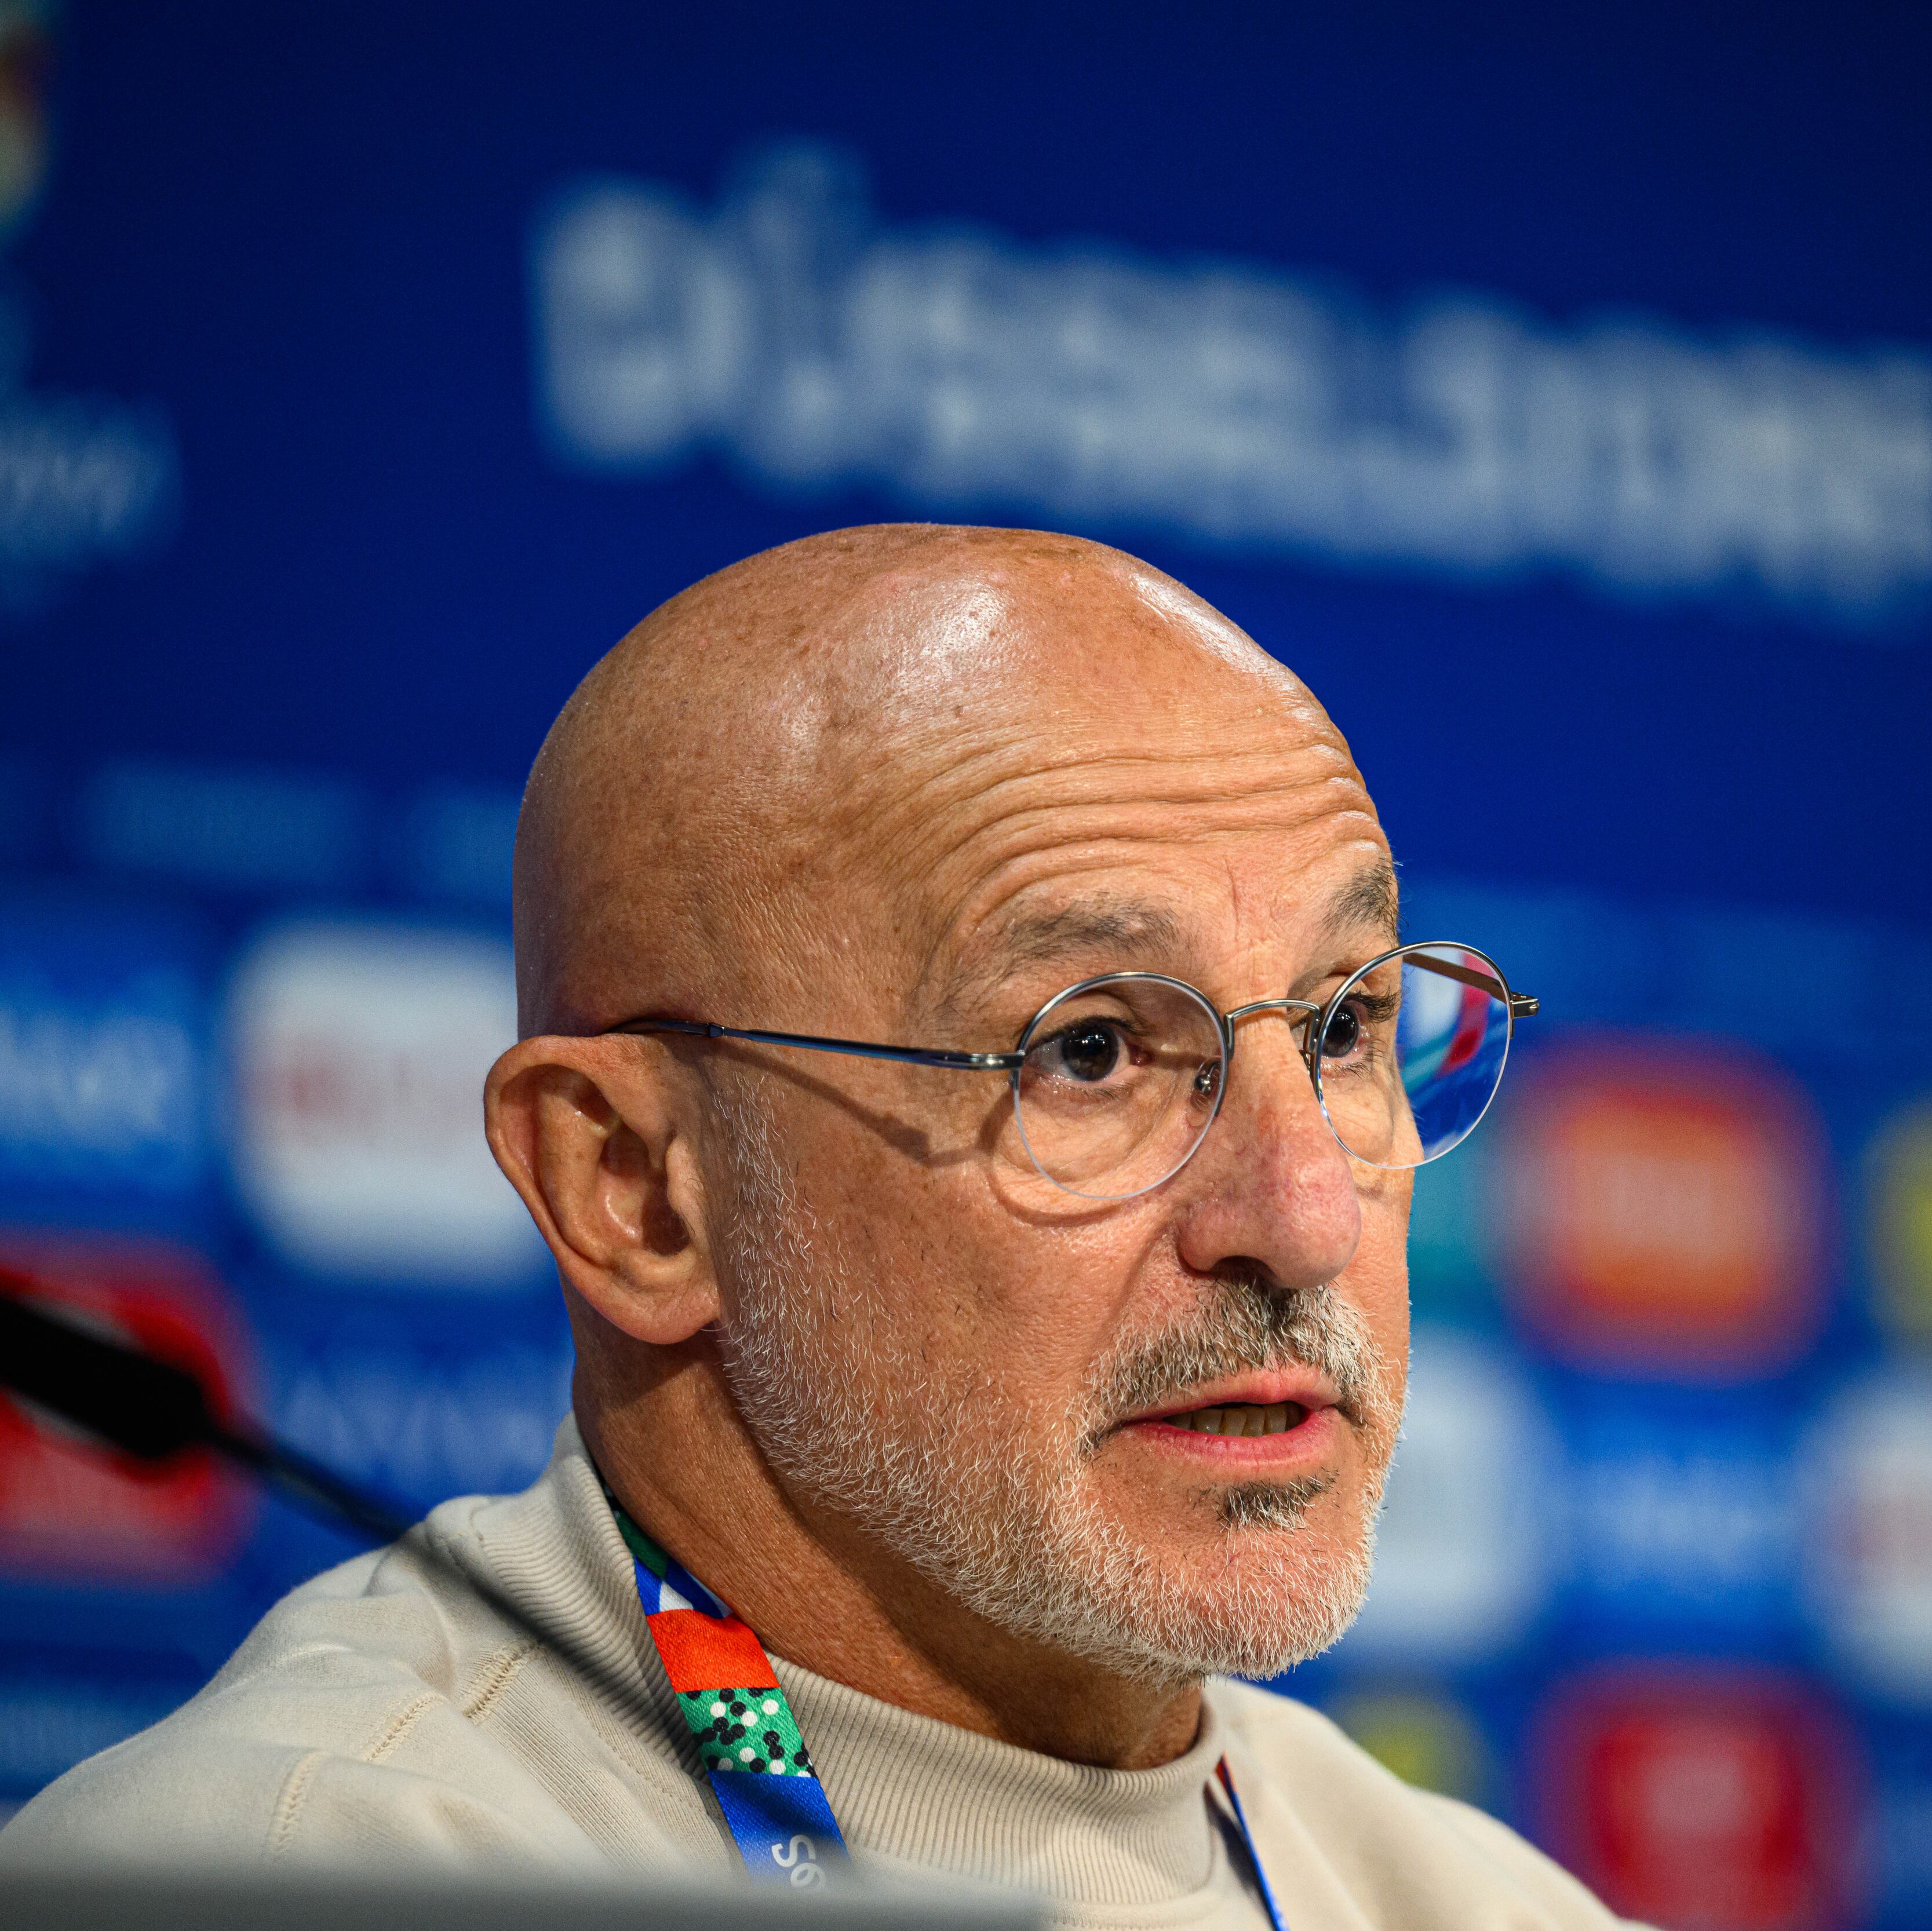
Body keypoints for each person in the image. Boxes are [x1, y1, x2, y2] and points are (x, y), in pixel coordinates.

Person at [0, 526, 1632, 1930]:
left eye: (1344, 1032)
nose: (1304, 1212)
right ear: (634, 1190)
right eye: (1089, 1053)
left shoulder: (1480, 1905)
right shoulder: (296, 1876)